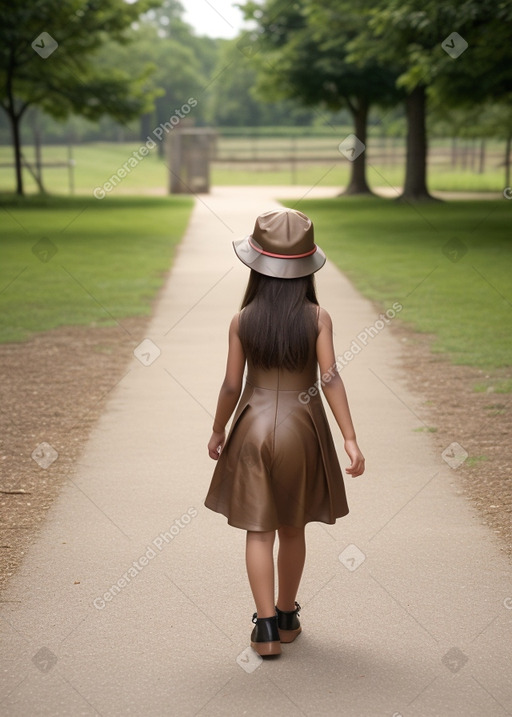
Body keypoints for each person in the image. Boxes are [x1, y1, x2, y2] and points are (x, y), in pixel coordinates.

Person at [205, 208, 365, 657]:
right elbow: (330, 377)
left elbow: (232, 385)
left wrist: (219, 428)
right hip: (303, 428)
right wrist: (349, 436)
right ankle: (288, 612)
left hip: (253, 427)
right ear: (306, 269)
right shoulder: (318, 318)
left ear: (256, 267)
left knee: (259, 532)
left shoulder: (242, 320)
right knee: (293, 528)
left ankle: (266, 629)